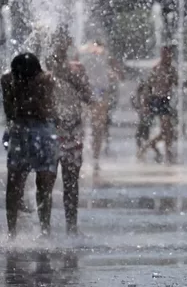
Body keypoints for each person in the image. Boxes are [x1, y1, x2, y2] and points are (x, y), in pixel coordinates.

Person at [2, 53, 57, 238]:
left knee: (14, 183)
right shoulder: (46, 79)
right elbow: (47, 109)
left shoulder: (7, 80)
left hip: (19, 131)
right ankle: (45, 231)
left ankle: (12, 233)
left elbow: (9, 112)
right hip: (43, 132)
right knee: (44, 186)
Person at [46, 28, 93, 235]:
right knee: (45, 180)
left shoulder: (77, 69)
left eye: (64, 41)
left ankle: (71, 227)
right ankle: (44, 229)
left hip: (72, 130)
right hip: (49, 131)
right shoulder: (42, 71)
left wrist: (75, 79)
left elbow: (88, 96)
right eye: (58, 41)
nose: (61, 45)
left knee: (71, 181)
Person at [78, 40, 119, 171]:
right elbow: (117, 72)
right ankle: (93, 158)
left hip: (91, 91)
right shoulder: (102, 53)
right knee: (96, 127)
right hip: (97, 91)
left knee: (88, 126)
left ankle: (88, 157)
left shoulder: (84, 52)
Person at [141, 46, 178, 164]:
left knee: (168, 131)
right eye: (165, 54)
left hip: (166, 101)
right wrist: (146, 103)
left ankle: (149, 147)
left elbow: (177, 83)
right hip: (158, 100)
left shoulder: (171, 69)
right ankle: (166, 153)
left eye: (169, 54)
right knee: (167, 129)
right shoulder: (157, 68)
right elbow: (148, 86)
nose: (168, 57)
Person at [132, 77, 162, 163]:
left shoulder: (147, 96)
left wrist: (146, 111)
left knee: (142, 136)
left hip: (147, 118)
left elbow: (145, 107)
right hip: (145, 118)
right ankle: (145, 152)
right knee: (143, 137)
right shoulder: (143, 95)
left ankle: (143, 152)